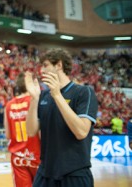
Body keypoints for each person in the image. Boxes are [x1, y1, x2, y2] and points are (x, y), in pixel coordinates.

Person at [25, 48, 98, 187]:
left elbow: (81, 132)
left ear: (59, 65)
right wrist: (34, 99)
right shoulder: (44, 96)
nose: (41, 70)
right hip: (45, 172)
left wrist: (58, 95)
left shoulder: (83, 92)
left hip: (74, 174)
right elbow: (30, 131)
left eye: (45, 65)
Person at [4, 72, 41, 187]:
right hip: (36, 155)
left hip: (18, 157)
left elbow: (8, 135)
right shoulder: (34, 101)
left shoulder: (9, 105)